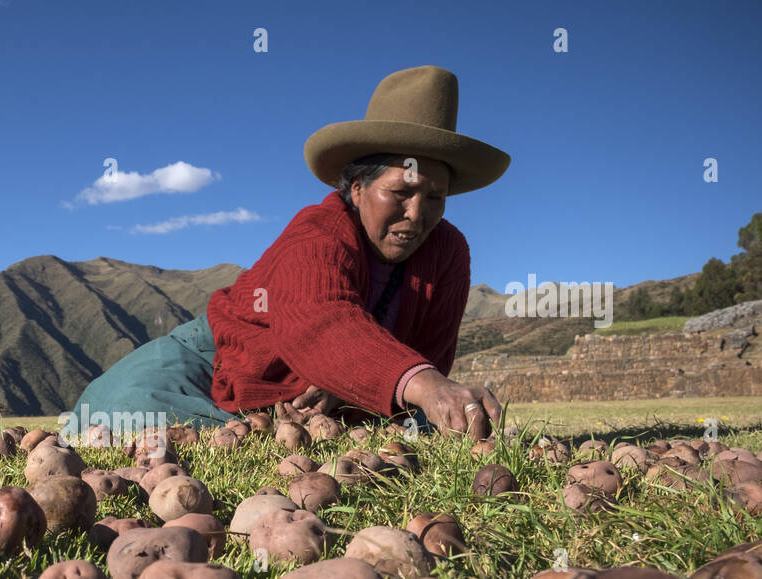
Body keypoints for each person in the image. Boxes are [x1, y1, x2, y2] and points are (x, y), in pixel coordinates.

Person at [70, 65, 511, 440]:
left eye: (435, 198)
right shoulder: (317, 232)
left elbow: (429, 351)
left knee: (395, 428)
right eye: (401, 192)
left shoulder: (448, 251)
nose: (417, 215)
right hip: (222, 353)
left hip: (320, 382)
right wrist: (425, 384)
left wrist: (349, 385)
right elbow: (320, 318)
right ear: (357, 189)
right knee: (108, 416)